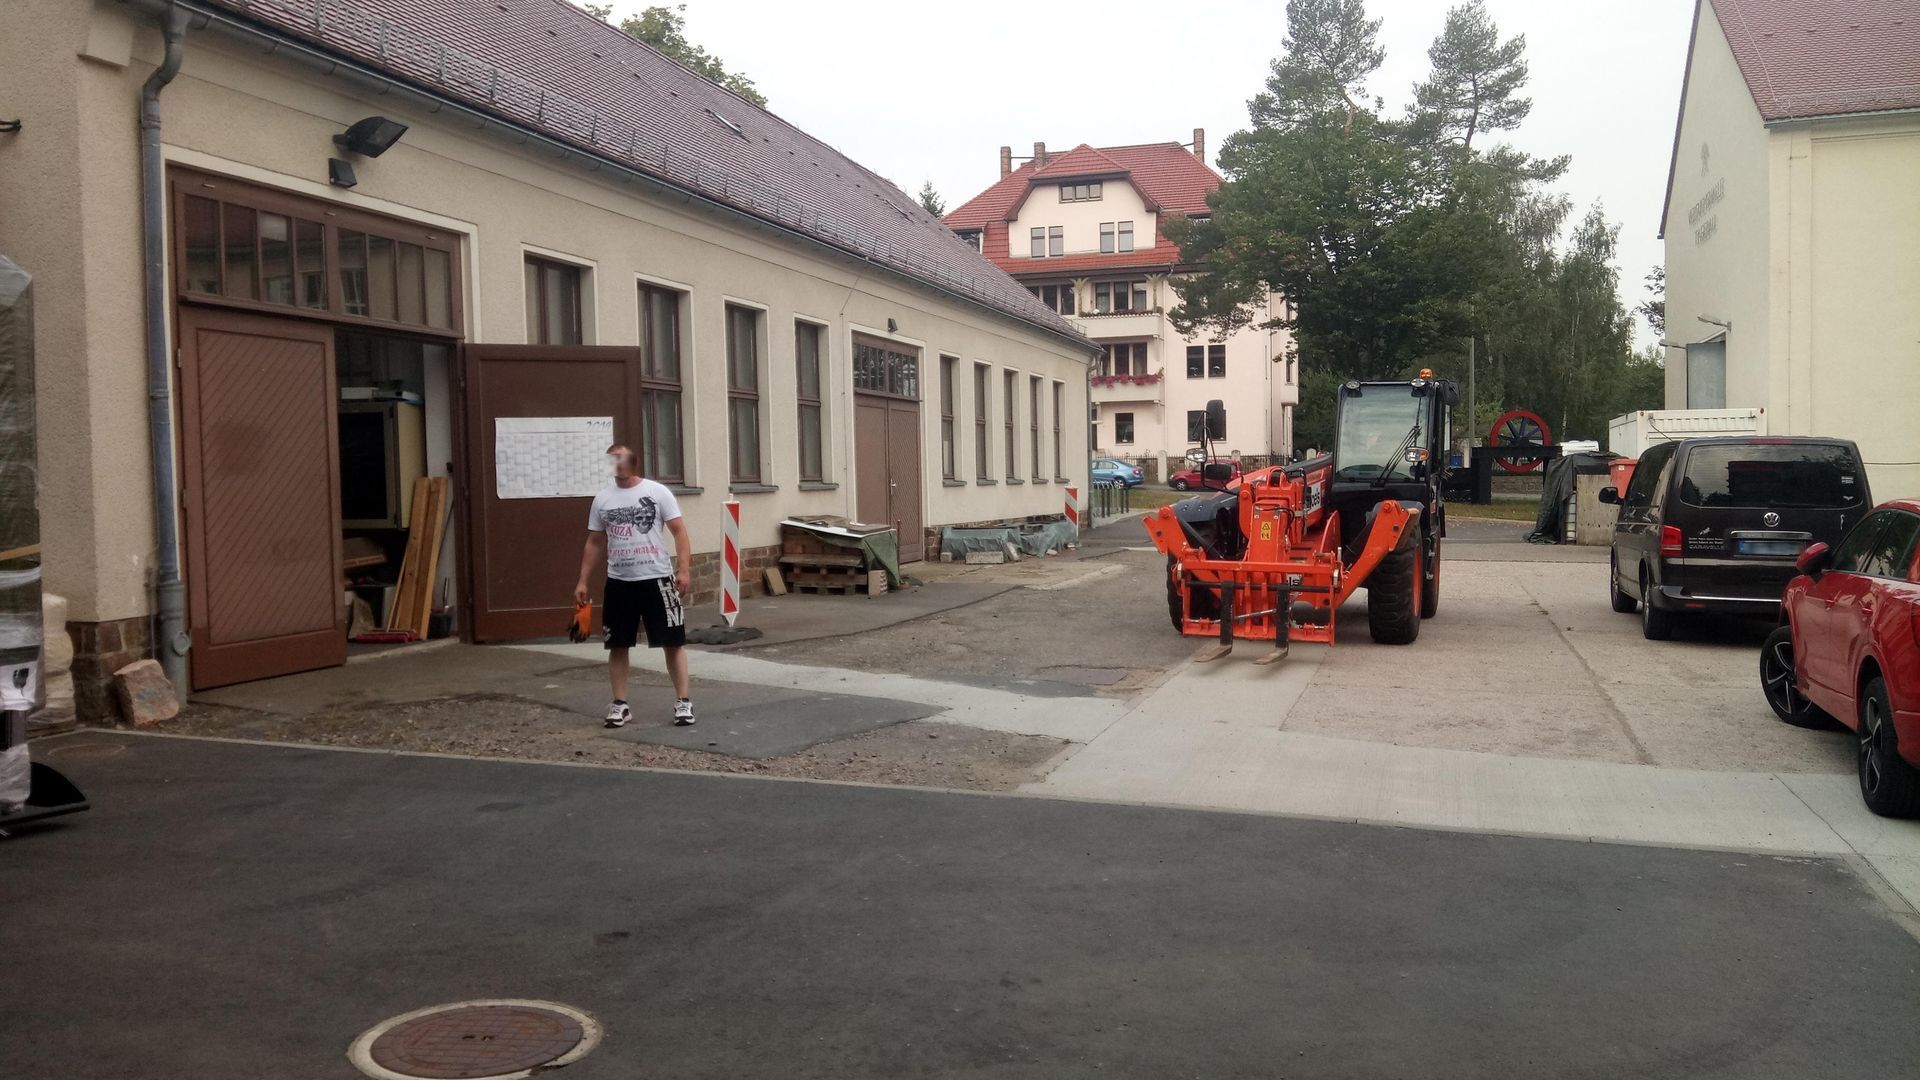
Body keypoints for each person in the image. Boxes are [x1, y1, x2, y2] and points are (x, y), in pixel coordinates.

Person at [575, 445, 694, 728]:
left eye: (623, 459)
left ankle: (683, 702)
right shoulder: (602, 499)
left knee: (672, 642)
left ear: (633, 462)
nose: (618, 464)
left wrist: (684, 570)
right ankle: (620, 704)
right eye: (613, 460)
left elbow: (679, 531)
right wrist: (583, 580)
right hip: (620, 583)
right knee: (617, 644)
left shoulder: (657, 492)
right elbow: (594, 541)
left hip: (658, 579)